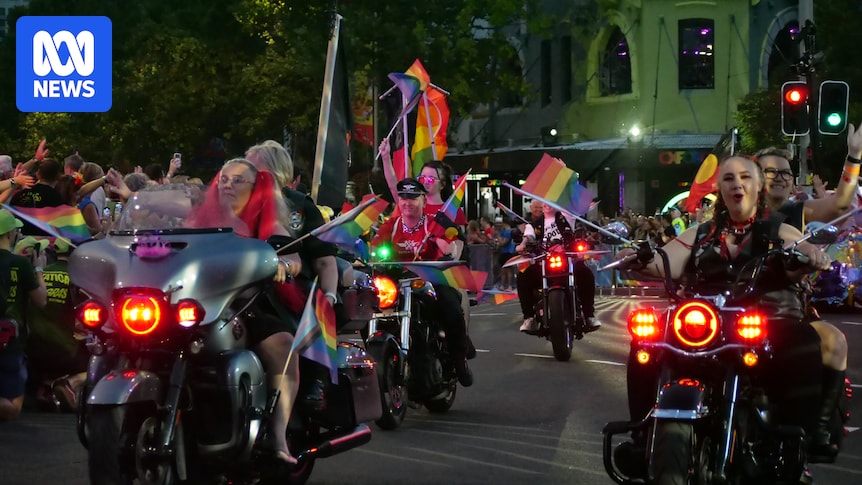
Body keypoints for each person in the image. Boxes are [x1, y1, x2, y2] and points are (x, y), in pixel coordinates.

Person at [613, 155, 834, 476]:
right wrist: (636, 258)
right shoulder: (700, 233)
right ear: (720, 188)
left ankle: (791, 449)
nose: (737, 184)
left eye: (745, 177)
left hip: (761, 321)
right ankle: (642, 436)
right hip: (706, 321)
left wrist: (810, 255)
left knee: (802, 340)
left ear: (758, 187)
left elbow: (797, 251)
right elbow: (665, 262)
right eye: (729, 178)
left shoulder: (777, 230)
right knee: (648, 340)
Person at [187, 158, 303, 465]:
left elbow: (293, 259)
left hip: (245, 305)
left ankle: (278, 436)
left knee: (283, 346)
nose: (227, 185)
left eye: (237, 180)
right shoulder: (199, 222)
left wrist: (282, 265)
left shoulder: (269, 224)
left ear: (256, 188)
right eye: (224, 179)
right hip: (194, 307)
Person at [755, 137, 862, 462]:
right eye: (770, 171)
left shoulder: (796, 211)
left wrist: (854, 156)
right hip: (736, 306)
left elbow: (841, 203)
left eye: (787, 172)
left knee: (834, 342)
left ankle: (816, 427)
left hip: (788, 308)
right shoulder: (734, 210)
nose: (780, 178)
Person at [371, 178, 473, 387]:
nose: (407, 202)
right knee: (367, 304)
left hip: (430, 281)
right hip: (397, 284)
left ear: (423, 201)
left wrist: (448, 250)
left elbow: (451, 245)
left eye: (413, 197)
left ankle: (459, 360)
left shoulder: (434, 224)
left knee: (452, 309)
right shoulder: (390, 227)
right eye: (403, 197)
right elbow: (372, 251)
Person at [516, 202, 601, 333]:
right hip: (544, 263)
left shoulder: (567, 217)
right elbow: (527, 237)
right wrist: (522, 245)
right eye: (544, 202)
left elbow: (578, 211)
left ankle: (589, 315)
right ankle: (529, 318)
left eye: (551, 201)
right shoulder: (533, 225)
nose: (546, 205)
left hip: (568, 261)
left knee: (586, 274)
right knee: (523, 276)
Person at [0, 210, 47, 421]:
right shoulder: (21, 265)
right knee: (13, 408)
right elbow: (41, 300)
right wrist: (38, 269)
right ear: (10, 233)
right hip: (10, 340)